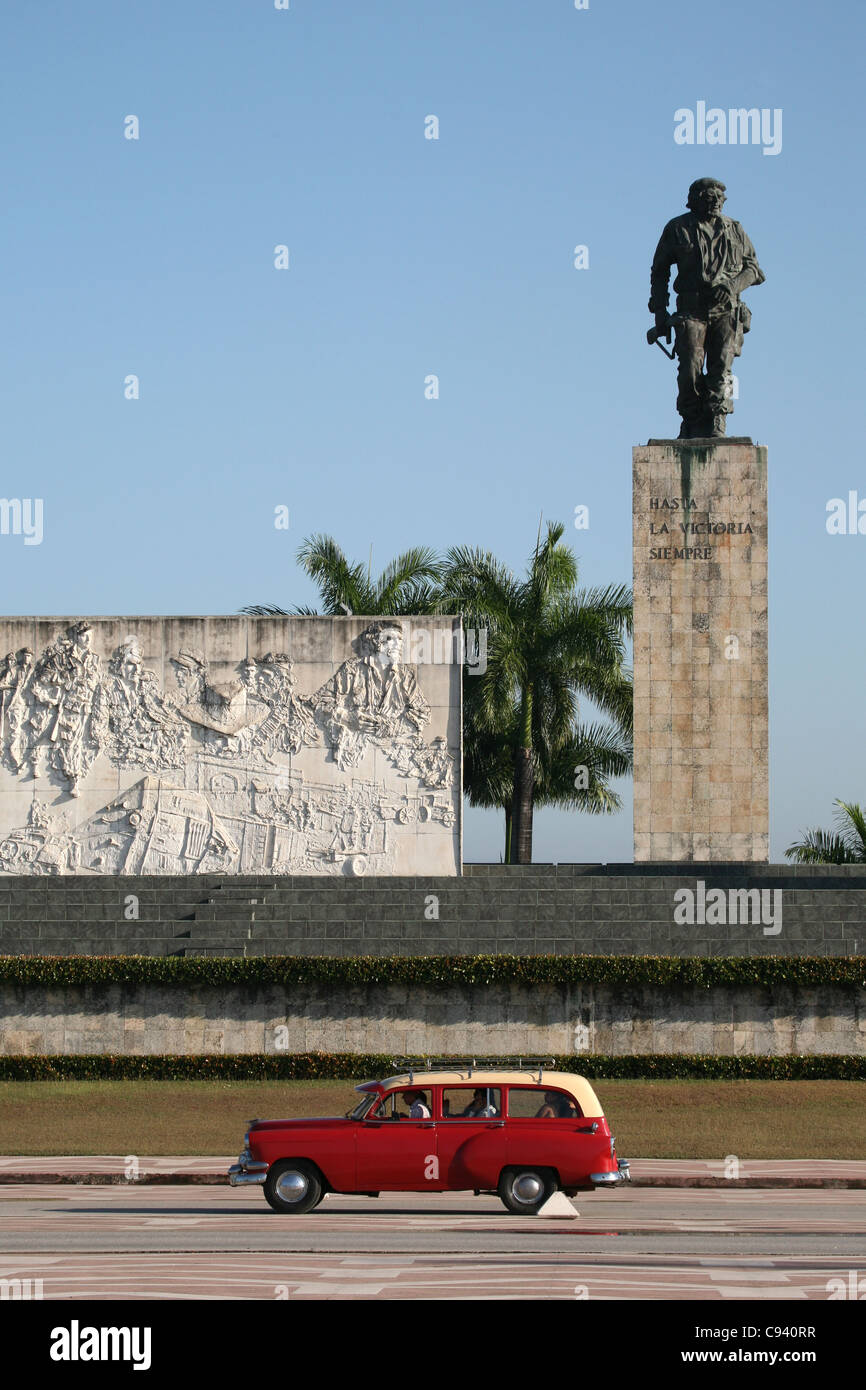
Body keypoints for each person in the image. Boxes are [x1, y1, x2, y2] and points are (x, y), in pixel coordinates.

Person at [649, 177, 764, 439]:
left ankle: (717, 420)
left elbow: (754, 269)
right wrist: (660, 313)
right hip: (691, 309)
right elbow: (659, 272)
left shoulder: (734, 229)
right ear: (693, 201)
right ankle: (690, 420)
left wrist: (733, 285)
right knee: (689, 366)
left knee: (721, 368)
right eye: (707, 197)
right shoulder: (677, 228)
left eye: (718, 198)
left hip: (726, 309)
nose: (714, 202)